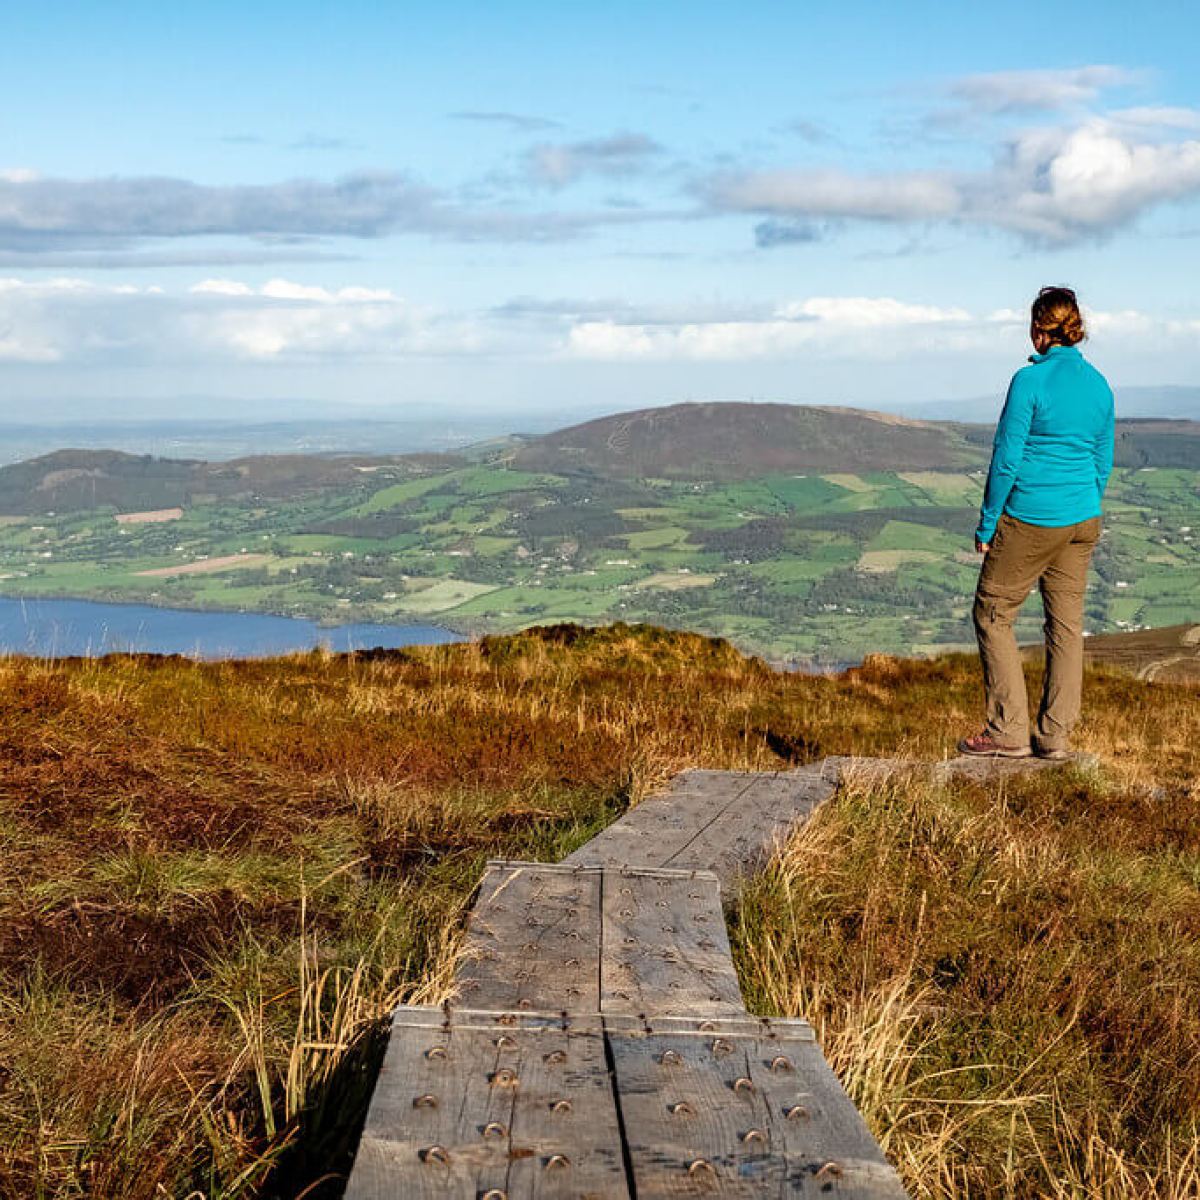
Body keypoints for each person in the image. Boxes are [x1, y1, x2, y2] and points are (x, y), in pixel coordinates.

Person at [958, 286, 1115, 760]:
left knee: (991, 613)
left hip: (1031, 516)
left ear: (1037, 328)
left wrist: (988, 523)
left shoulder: (1029, 382)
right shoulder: (1100, 384)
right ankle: (1054, 736)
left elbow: (1006, 459)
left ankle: (1007, 730)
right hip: (1082, 518)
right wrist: (1082, 500)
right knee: (1066, 626)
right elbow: (1102, 458)